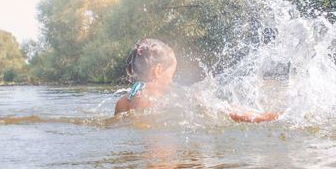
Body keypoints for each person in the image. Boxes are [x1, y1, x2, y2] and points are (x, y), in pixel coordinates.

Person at [115, 38, 278, 123]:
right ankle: (268, 116)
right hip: (159, 152)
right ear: (158, 71)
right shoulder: (166, 94)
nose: (172, 79)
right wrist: (266, 118)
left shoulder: (122, 102)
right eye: (171, 74)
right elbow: (223, 112)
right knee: (221, 108)